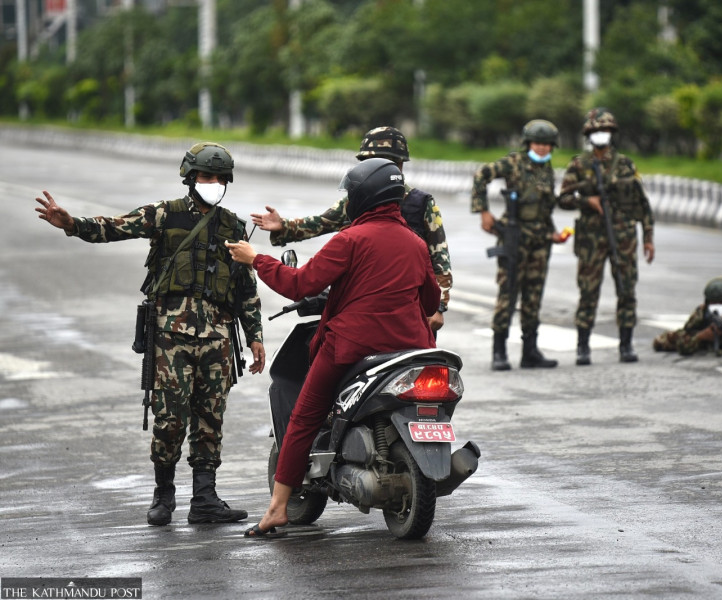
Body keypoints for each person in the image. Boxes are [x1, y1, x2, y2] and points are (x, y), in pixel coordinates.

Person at [34, 142, 266, 527]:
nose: (214, 183)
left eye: (220, 178)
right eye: (206, 176)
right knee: (169, 419)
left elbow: (245, 287)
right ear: (190, 178)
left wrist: (255, 335)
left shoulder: (232, 226)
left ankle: (205, 499)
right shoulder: (165, 214)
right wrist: (73, 224)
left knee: (210, 418)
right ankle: (164, 495)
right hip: (171, 338)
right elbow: (115, 227)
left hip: (217, 339)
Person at [228, 158, 439, 539]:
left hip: (351, 346)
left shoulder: (350, 239)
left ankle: (277, 509)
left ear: (363, 196)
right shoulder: (416, 242)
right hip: (410, 349)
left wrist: (255, 259)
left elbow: (299, 285)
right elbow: (429, 301)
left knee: (304, 418)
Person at [250, 126, 452, 333]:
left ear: (399, 165)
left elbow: (439, 258)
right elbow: (322, 222)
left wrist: (439, 307)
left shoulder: (422, 203)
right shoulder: (357, 199)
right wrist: (284, 225)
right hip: (365, 307)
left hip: (411, 311)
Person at [558, 108, 656, 365]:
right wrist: (587, 200)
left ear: (612, 134)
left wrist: (647, 237)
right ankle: (583, 346)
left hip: (623, 237)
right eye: (596, 132)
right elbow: (563, 198)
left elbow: (641, 203)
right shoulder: (579, 164)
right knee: (588, 292)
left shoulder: (625, 165)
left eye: (606, 131)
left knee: (627, 290)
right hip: (592, 238)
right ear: (589, 135)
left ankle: (626, 344)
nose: (601, 135)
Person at [473, 119, 566, 371]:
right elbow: (481, 175)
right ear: (528, 143)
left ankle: (530, 351)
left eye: (547, 144)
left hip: (540, 241)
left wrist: (554, 234)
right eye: (538, 143)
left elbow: (545, 209)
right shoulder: (513, 163)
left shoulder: (547, 170)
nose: (542, 148)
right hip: (514, 237)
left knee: (533, 297)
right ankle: (499, 351)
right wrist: (483, 211)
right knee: (508, 293)